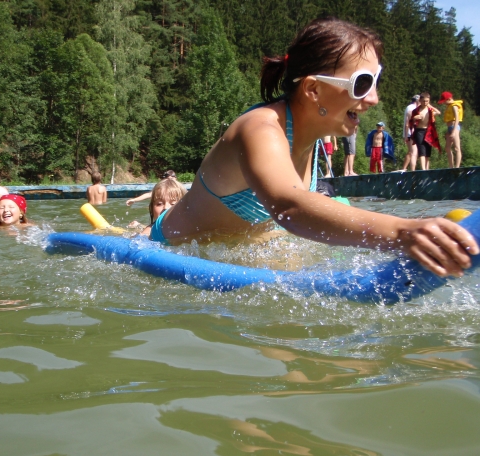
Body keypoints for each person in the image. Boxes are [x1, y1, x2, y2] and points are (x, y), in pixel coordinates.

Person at [149, 17, 477, 278]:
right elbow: (290, 208)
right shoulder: (261, 129)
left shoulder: (311, 135)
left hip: (240, 249)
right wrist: (404, 232)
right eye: (362, 84)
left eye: (376, 81)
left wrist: (423, 224)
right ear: (313, 90)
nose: (374, 98)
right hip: (170, 249)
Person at [411, 92, 441, 170]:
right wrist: (415, 118)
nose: (425, 103)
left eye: (427, 101)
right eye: (423, 101)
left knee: (427, 152)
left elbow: (438, 112)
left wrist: (430, 106)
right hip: (419, 131)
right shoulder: (416, 110)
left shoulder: (430, 110)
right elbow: (411, 122)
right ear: (420, 101)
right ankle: (423, 169)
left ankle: (427, 169)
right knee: (422, 150)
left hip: (428, 131)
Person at [438, 91, 463, 169]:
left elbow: (457, 118)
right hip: (450, 128)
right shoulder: (449, 105)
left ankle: (457, 167)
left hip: (454, 127)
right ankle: (451, 166)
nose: (444, 103)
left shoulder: (454, 106)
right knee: (447, 148)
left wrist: (454, 131)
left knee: (457, 148)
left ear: (448, 99)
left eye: (444, 101)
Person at [401, 95, 420, 171]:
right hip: (410, 132)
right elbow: (408, 123)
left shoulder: (409, 107)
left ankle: (404, 168)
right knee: (413, 152)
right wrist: (406, 135)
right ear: (417, 100)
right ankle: (411, 170)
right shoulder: (412, 108)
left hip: (409, 132)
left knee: (411, 152)